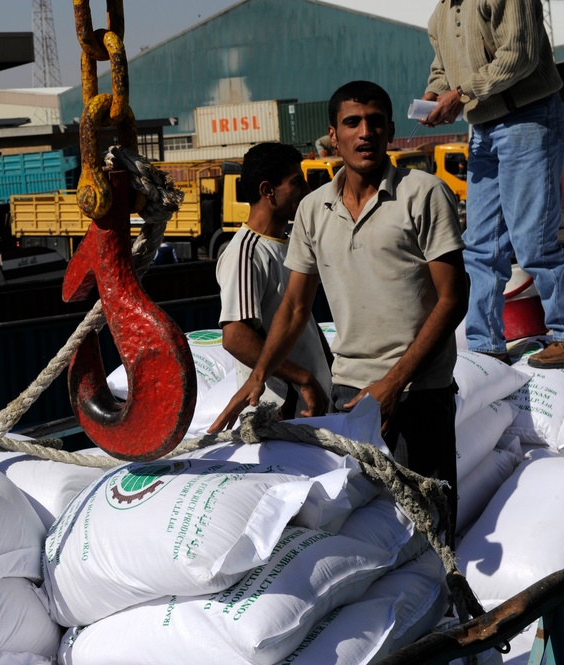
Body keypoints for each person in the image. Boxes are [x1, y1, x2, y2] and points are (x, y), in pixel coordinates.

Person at [208, 81, 468, 531]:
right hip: (348, 397)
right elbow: (293, 306)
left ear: (389, 132)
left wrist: (393, 383)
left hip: (417, 394)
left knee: (428, 533)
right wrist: (259, 374)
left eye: (375, 122)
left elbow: (453, 298)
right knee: (361, 531)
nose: (364, 132)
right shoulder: (313, 209)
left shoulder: (425, 193)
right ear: (334, 135)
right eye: (352, 123)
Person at [421, 0, 564, 368]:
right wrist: (434, 94)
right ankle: (486, 343)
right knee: (480, 245)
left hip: (527, 117)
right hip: (483, 126)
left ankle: (563, 333)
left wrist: (462, 93)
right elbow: (442, 69)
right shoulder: (440, 14)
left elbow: (519, 55)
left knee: (534, 241)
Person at [214, 141, 332, 420]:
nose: (306, 191)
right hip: (280, 412)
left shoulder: (290, 245)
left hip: (310, 407)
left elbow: (304, 325)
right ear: (268, 191)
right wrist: (303, 377)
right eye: (296, 182)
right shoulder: (246, 253)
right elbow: (236, 337)